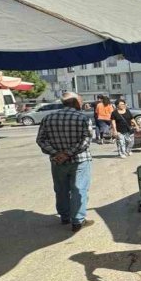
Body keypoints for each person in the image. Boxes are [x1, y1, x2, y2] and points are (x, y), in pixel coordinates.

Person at [36, 92, 95, 231]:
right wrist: (68, 153)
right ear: (75, 102)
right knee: (79, 189)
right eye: (80, 102)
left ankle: (65, 217)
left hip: (57, 161)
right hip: (79, 160)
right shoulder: (83, 118)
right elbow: (86, 141)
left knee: (61, 189)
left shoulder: (48, 118)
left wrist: (56, 153)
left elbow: (41, 140)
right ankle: (78, 220)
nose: (81, 104)